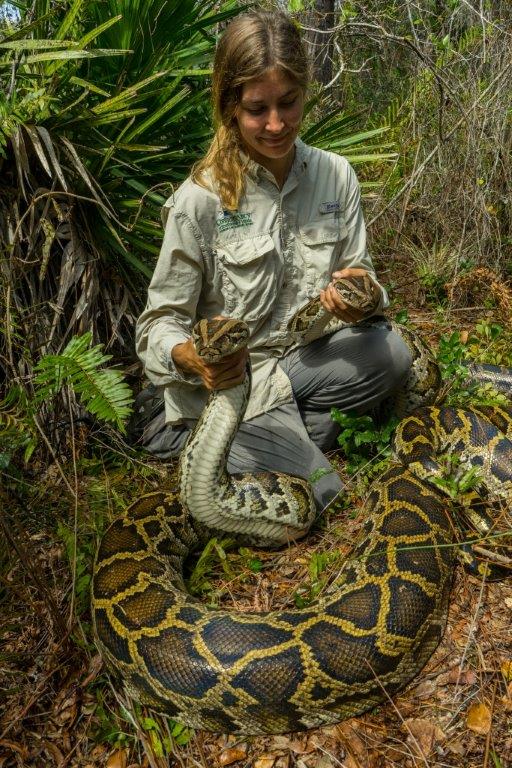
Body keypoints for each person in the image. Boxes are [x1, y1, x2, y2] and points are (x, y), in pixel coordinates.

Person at [134, 9, 412, 515]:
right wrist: (192, 358)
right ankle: (232, 434)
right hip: (235, 384)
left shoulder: (337, 176)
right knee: (321, 497)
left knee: (392, 353)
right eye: (257, 109)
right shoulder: (199, 200)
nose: (277, 124)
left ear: (306, 91)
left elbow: (362, 274)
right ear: (230, 107)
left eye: (289, 102)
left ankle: (272, 435)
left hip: (301, 361)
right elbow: (157, 326)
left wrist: (367, 295)